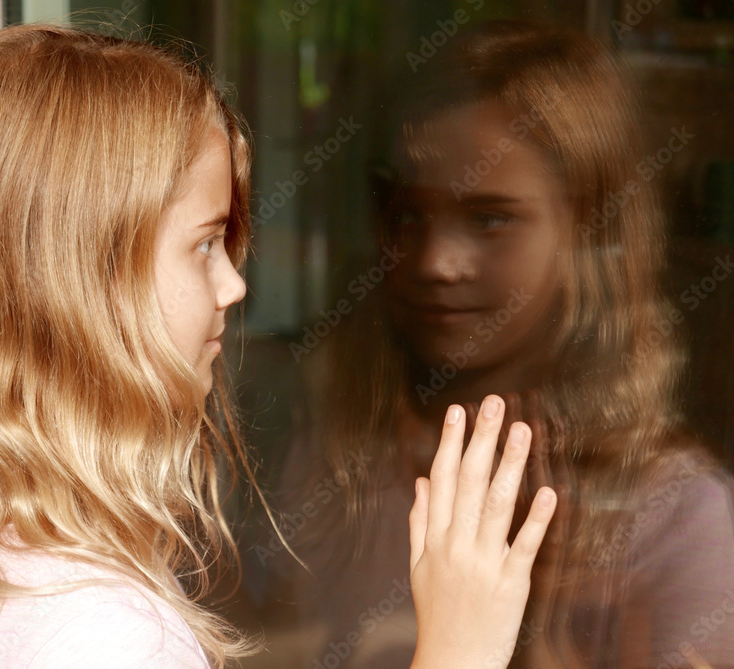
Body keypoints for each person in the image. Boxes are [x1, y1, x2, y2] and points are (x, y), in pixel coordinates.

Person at [0, 23, 556, 669]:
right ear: (86, 286)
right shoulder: (107, 636)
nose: (233, 285)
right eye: (205, 244)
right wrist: (459, 647)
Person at [265, 19, 734, 668]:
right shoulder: (337, 464)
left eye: (489, 218)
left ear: (588, 231)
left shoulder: (678, 519)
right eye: (410, 214)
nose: (436, 261)